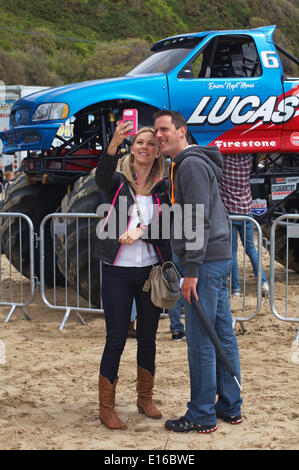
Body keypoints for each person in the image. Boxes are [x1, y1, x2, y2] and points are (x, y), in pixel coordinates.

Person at [154, 110, 242, 434]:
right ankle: (230, 405)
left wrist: (190, 270)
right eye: (156, 130)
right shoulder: (187, 164)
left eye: (164, 129)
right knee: (222, 333)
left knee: (201, 339)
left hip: (204, 264)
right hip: (215, 259)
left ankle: (202, 414)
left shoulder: (189, 164)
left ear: (182, 131)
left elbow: (197, 220)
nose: (159, 135)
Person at [95, 122, 172, 430]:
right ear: (132, 147)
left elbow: (171, 228)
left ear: (157, 151)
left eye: (151, 144)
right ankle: (106, 407)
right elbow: (101, 175)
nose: (145, 147)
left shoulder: (165, 186)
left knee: (149, 338)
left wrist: (141, 233)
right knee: (115, 338)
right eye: (140, 142)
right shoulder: (116, 182)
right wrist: (113, 143)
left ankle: (145, 398)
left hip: (151, 272)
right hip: (116, 271)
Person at [218, 154, 269, 297]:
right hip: (247, 211)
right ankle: (263, 282)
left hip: (230, 213)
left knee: (232, 252)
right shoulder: (248, 160)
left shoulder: (224, 161)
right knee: (251, 249)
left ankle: (236, 289)